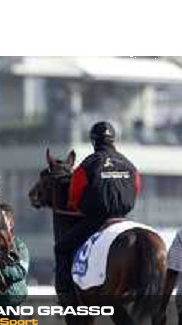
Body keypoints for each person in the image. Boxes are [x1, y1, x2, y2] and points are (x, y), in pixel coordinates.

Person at [54, 121, 141, 301]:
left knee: (61, 247)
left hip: (96, 221)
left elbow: (74, 197)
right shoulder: (129, 164)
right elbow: (137, 188)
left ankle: (66, 293)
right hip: (124, 219)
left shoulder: (87, 165)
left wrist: (79, 207)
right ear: (113, 140)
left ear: (94, 141)